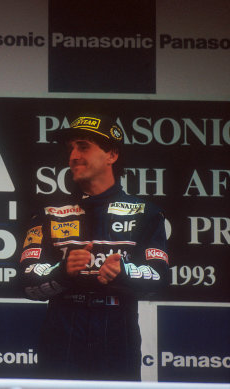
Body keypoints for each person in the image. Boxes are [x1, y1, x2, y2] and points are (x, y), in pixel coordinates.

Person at [19, 115, 169, 381]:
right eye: (70, 150)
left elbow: (159, 278)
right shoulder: (49, 213)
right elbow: (26, 282)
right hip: (62, 324)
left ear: (111, 154)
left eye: (83, 146)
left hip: (117, 325)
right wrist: (62, 271)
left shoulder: (147, 213)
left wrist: (124, 271)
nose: (73, 156)